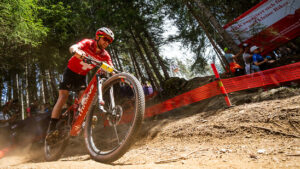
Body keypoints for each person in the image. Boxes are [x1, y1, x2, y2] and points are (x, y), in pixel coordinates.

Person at [47, 27, 115, 138]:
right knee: (63, 97)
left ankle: (81, 119)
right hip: (70, 73)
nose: (107, 42)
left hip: (82, 76)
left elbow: (111, 68)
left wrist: (119, 76)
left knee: (84, 96)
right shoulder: (88, 43)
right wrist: (76, 51)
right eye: (105, 39)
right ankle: (51, 127)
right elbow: (73, 47)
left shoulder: (105, 55)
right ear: (97, 37)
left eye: (109, 41)